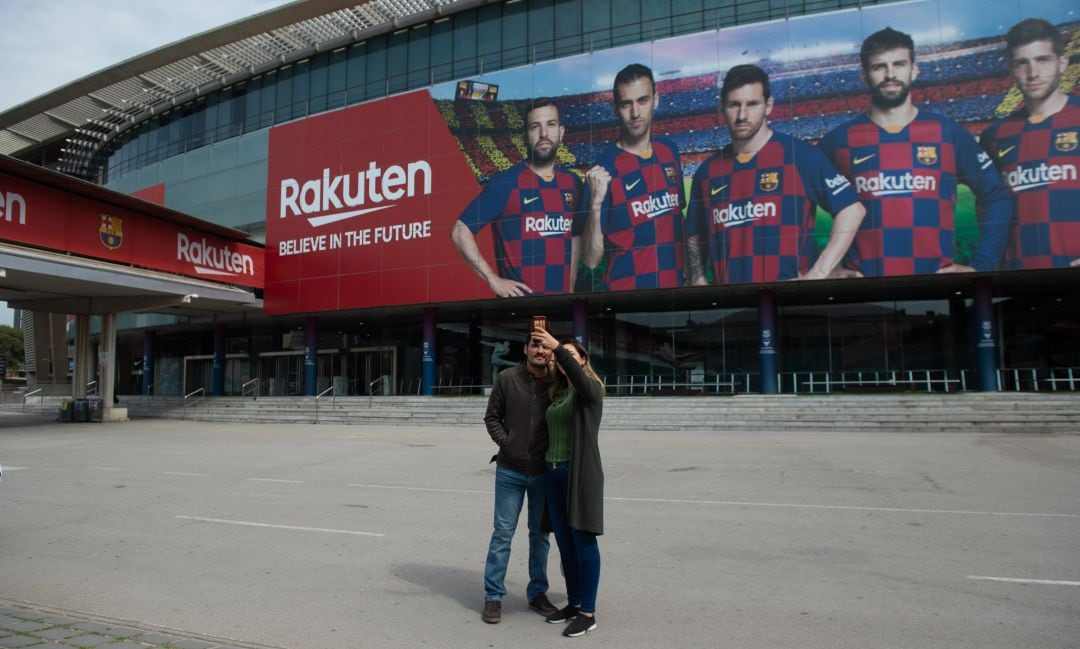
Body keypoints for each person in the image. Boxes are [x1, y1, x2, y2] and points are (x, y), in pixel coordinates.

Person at [819, 27, 1012, 277]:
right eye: (879, 67)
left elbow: (996, 195)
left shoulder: (949, 134)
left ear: (914, 69)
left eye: (899, 64)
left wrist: (981, 266)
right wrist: (823, 270)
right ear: (865, 75)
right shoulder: (838, 141)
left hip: (936, 286)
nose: (890, 74)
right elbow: (793, 204)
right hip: (864, 288)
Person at [686, 64, 865, 284]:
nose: (742, 115)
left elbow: (852, 210)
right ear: (721, 108)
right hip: (733, 304)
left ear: (768, 106)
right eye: (734, 105)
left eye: (752, 104)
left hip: (788, 303)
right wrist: (698, 276)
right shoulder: (707, 172)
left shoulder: (800, 156)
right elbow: (695, 233)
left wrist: (818, 273)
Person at [452, 101, 584, 296]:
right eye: (535, 126)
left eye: (551, 124)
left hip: (563, 306)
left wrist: (571, 284)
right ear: (525, 135)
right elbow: (459, 231)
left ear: (561, 131)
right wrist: (492, 279)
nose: (544, 133)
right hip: (520, 309)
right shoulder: (506, 182)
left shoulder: (572, 182)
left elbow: (575, 235)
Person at [980, 17, 1080, 269]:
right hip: (1020, 279)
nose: (1033, 73)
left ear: (1062, 63)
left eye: (1043, 60)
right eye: (1022, 63)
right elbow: (988, 205)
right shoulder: (995, 135)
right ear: (1011, 70)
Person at [578, 63, 686, 290]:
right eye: (627, 104)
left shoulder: (670, 151)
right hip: (627, 300)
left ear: (656, 100)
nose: (635, 113)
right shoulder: (603, 170)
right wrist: (595, 205)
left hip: (676, 292)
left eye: (642, 100)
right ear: (615, 108)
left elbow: (677, 222)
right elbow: (590, 259)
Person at [481, 331, 559, 623]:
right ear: (526, 349)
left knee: (540, 537)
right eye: (534, 345)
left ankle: (537, 593)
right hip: (510, 470)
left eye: (544, 345)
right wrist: (508, 442)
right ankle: (493, 596)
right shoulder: (507, 378)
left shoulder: (557, 381)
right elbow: (492, 417)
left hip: (543, 472)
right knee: (502, 534)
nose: (540, 350)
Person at [532, 328, 605, 638]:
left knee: (583, 542)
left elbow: (579, 378)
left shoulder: (589, 390)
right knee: (564, 543)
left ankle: (587, 612)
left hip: (579, 474)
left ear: (583, 359)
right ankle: (574, 603)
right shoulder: (559, 392)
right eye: (562, 358)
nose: (564, 361)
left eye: (572, 356)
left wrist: (558, 349)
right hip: (553, 472)